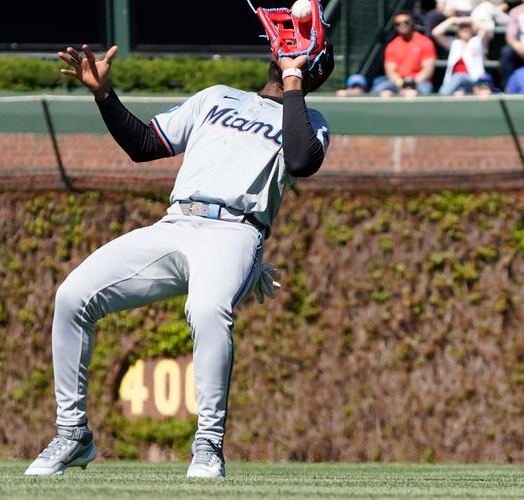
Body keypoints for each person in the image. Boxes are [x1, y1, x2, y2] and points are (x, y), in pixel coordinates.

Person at [23, 34, 334, 478]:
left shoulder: (309, 120)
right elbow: (145, 146)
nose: (283, 51)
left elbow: (302, 161)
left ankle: (208, 446)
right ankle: (73, 434)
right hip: (177, 223)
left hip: (235, 233)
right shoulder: (216, 97)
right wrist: (104, 95)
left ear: (313, 69)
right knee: (72, 296)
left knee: (207, 310)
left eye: (299, 53)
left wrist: (294, 80)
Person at [371, 10, 437, 97]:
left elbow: (428, 70)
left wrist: (412, 83)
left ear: (412, 22)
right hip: (398, 82)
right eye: (398, 23)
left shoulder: (425, 42)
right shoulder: (392, 46)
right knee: (378, 90)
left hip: (419, 82)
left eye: (406, 22)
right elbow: (390, 72)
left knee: (426, 90)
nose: (402, 25)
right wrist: (402, 84)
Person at [432, 16, 490, 95]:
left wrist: (471, 20)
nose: (465, 30)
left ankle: (442, 95)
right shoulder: (454, 43)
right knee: (458, 91)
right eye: (462, 28)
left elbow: (487, 29)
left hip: (474, 80)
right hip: (454, 82)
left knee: (459, 76)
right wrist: (452, 20)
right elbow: (435, 33)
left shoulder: (477, 41)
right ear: (458, 31)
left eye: (468, 27)